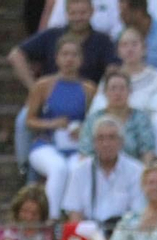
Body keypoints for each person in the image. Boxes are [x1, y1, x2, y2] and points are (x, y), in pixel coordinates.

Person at [10, 0, 118, 168]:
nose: (78, 17)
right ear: (66, 13)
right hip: (50, 97)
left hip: (86, 100)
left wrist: (102, 94)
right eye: (73, 13)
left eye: (82, 13)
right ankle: (24, 166)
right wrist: (35, 89)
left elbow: (114, 69)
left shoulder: (103, 41)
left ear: (91, 12)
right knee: (23, 119)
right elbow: (15, 55)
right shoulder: (52, 35)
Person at [27, 38, 98, 216]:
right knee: (58, 168)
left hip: (75, 147)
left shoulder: (89, 89)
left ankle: (75, 218)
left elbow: (94, 121)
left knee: (78, 169)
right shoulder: (43, 85)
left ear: (81, 60)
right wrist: (52, 123)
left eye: (74, 55)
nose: (69, 59)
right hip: (46, 144)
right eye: (65, 54)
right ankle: (51, 218)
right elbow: (29, 120)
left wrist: (83, 130)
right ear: (57, 58)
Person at [63, 117, 146, 223]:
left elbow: (138, 213)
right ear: (94, 143)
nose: (106, 143)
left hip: (123, 229)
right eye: (100, 138)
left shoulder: (136, 171)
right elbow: (74, 212)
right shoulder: (80, 171)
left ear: (121, 142)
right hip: (89, 229)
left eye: (112, 138)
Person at [80, 69, 157, 166]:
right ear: (105, 92)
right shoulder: (93, 119)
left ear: (130, 91)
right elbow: (85, 152)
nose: (117, 93)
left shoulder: (141, 118)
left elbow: (148, 151)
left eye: (122, 88)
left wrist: (143, 171)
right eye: (113, 88)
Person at [115, 26, 157, 113]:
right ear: (118, 51)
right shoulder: (111, 78)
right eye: (124, 45)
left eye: (134, 44)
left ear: (144, 49)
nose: (129, 49)